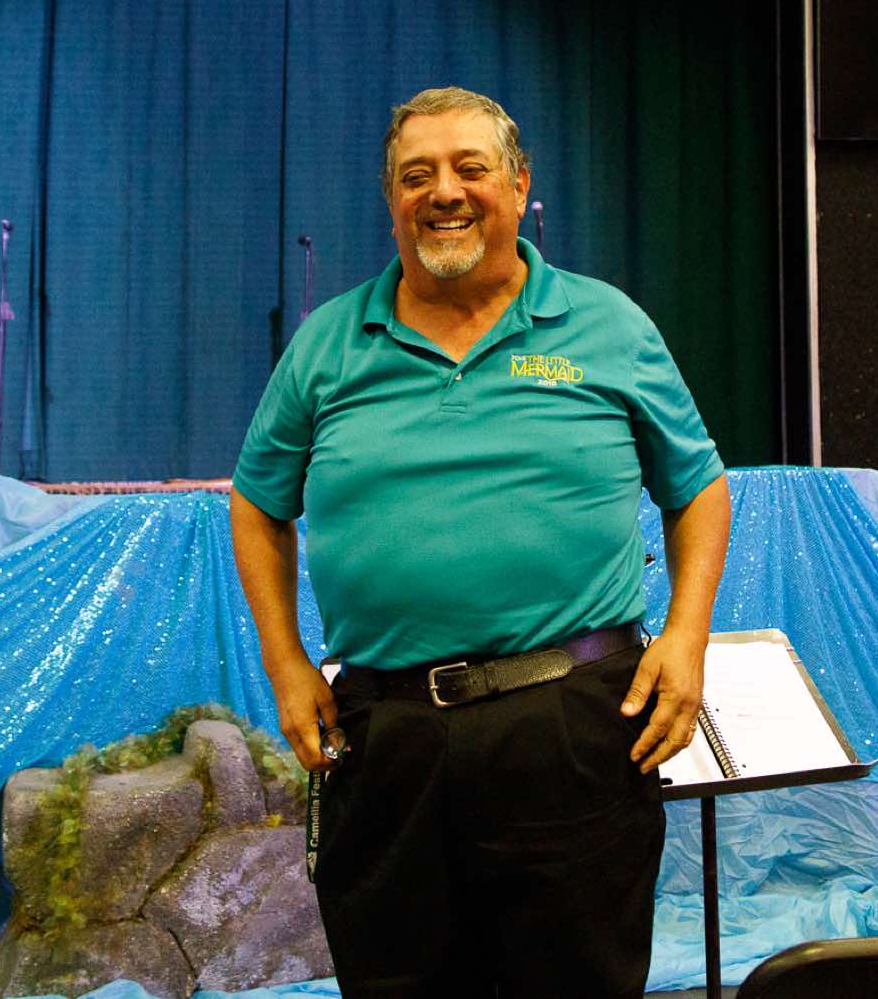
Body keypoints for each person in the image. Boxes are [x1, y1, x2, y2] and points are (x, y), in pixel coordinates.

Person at [230, 87, 730, 997]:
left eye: (471, 168)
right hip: (385, 740)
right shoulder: (326, 344)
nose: (444, 192)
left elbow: (697, 486)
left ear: (519, 183)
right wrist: (286, 662)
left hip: (573, 725)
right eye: (416, 175)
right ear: (391, 200)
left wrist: (689, 635)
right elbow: (258, 503)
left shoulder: (610, 326)